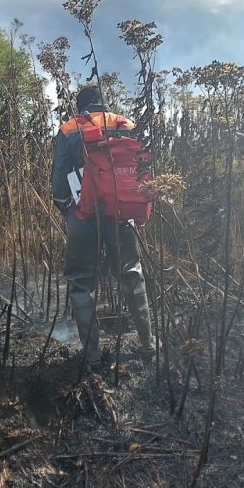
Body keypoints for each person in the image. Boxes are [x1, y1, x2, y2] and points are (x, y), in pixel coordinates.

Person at [51, 86, 156, 368]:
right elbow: (144, 173)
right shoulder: (129, 125)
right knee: (132, 276)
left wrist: (67, 209)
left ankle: (93, 357)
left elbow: (59, 179)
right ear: (105, 104)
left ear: (81, 106)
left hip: (85, 218)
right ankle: (148, 346)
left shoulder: (71, 128)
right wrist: (138, 213)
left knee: (81, 283)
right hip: (124, 217)